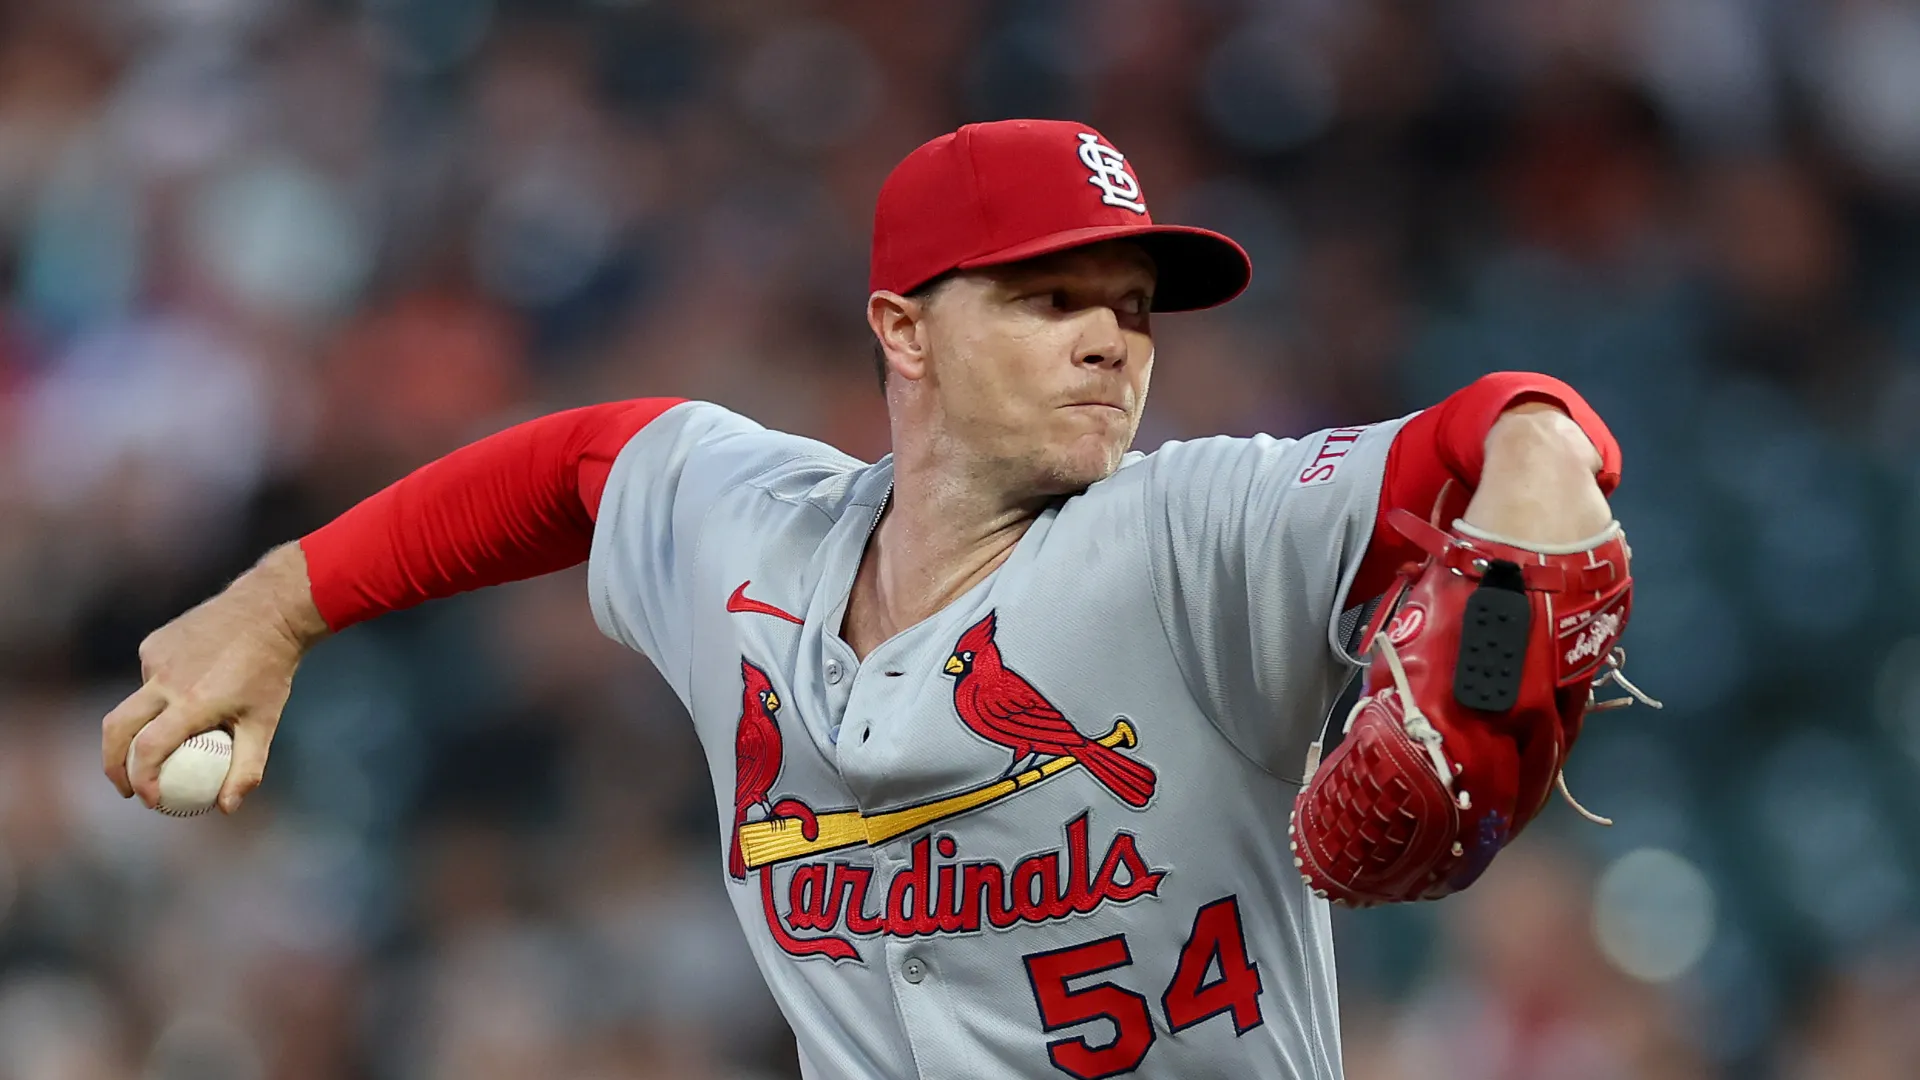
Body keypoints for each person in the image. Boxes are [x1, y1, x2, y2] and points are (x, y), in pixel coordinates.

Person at [101, 119, 1642, 1079]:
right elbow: (575, 467)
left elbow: (1516, 430)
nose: (1116, 342)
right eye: (1052, 301)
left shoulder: (1198, 531)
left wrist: (1526, 491)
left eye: (1131, 308)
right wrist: (282, 601)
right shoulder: (749, 532)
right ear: (905, 329)